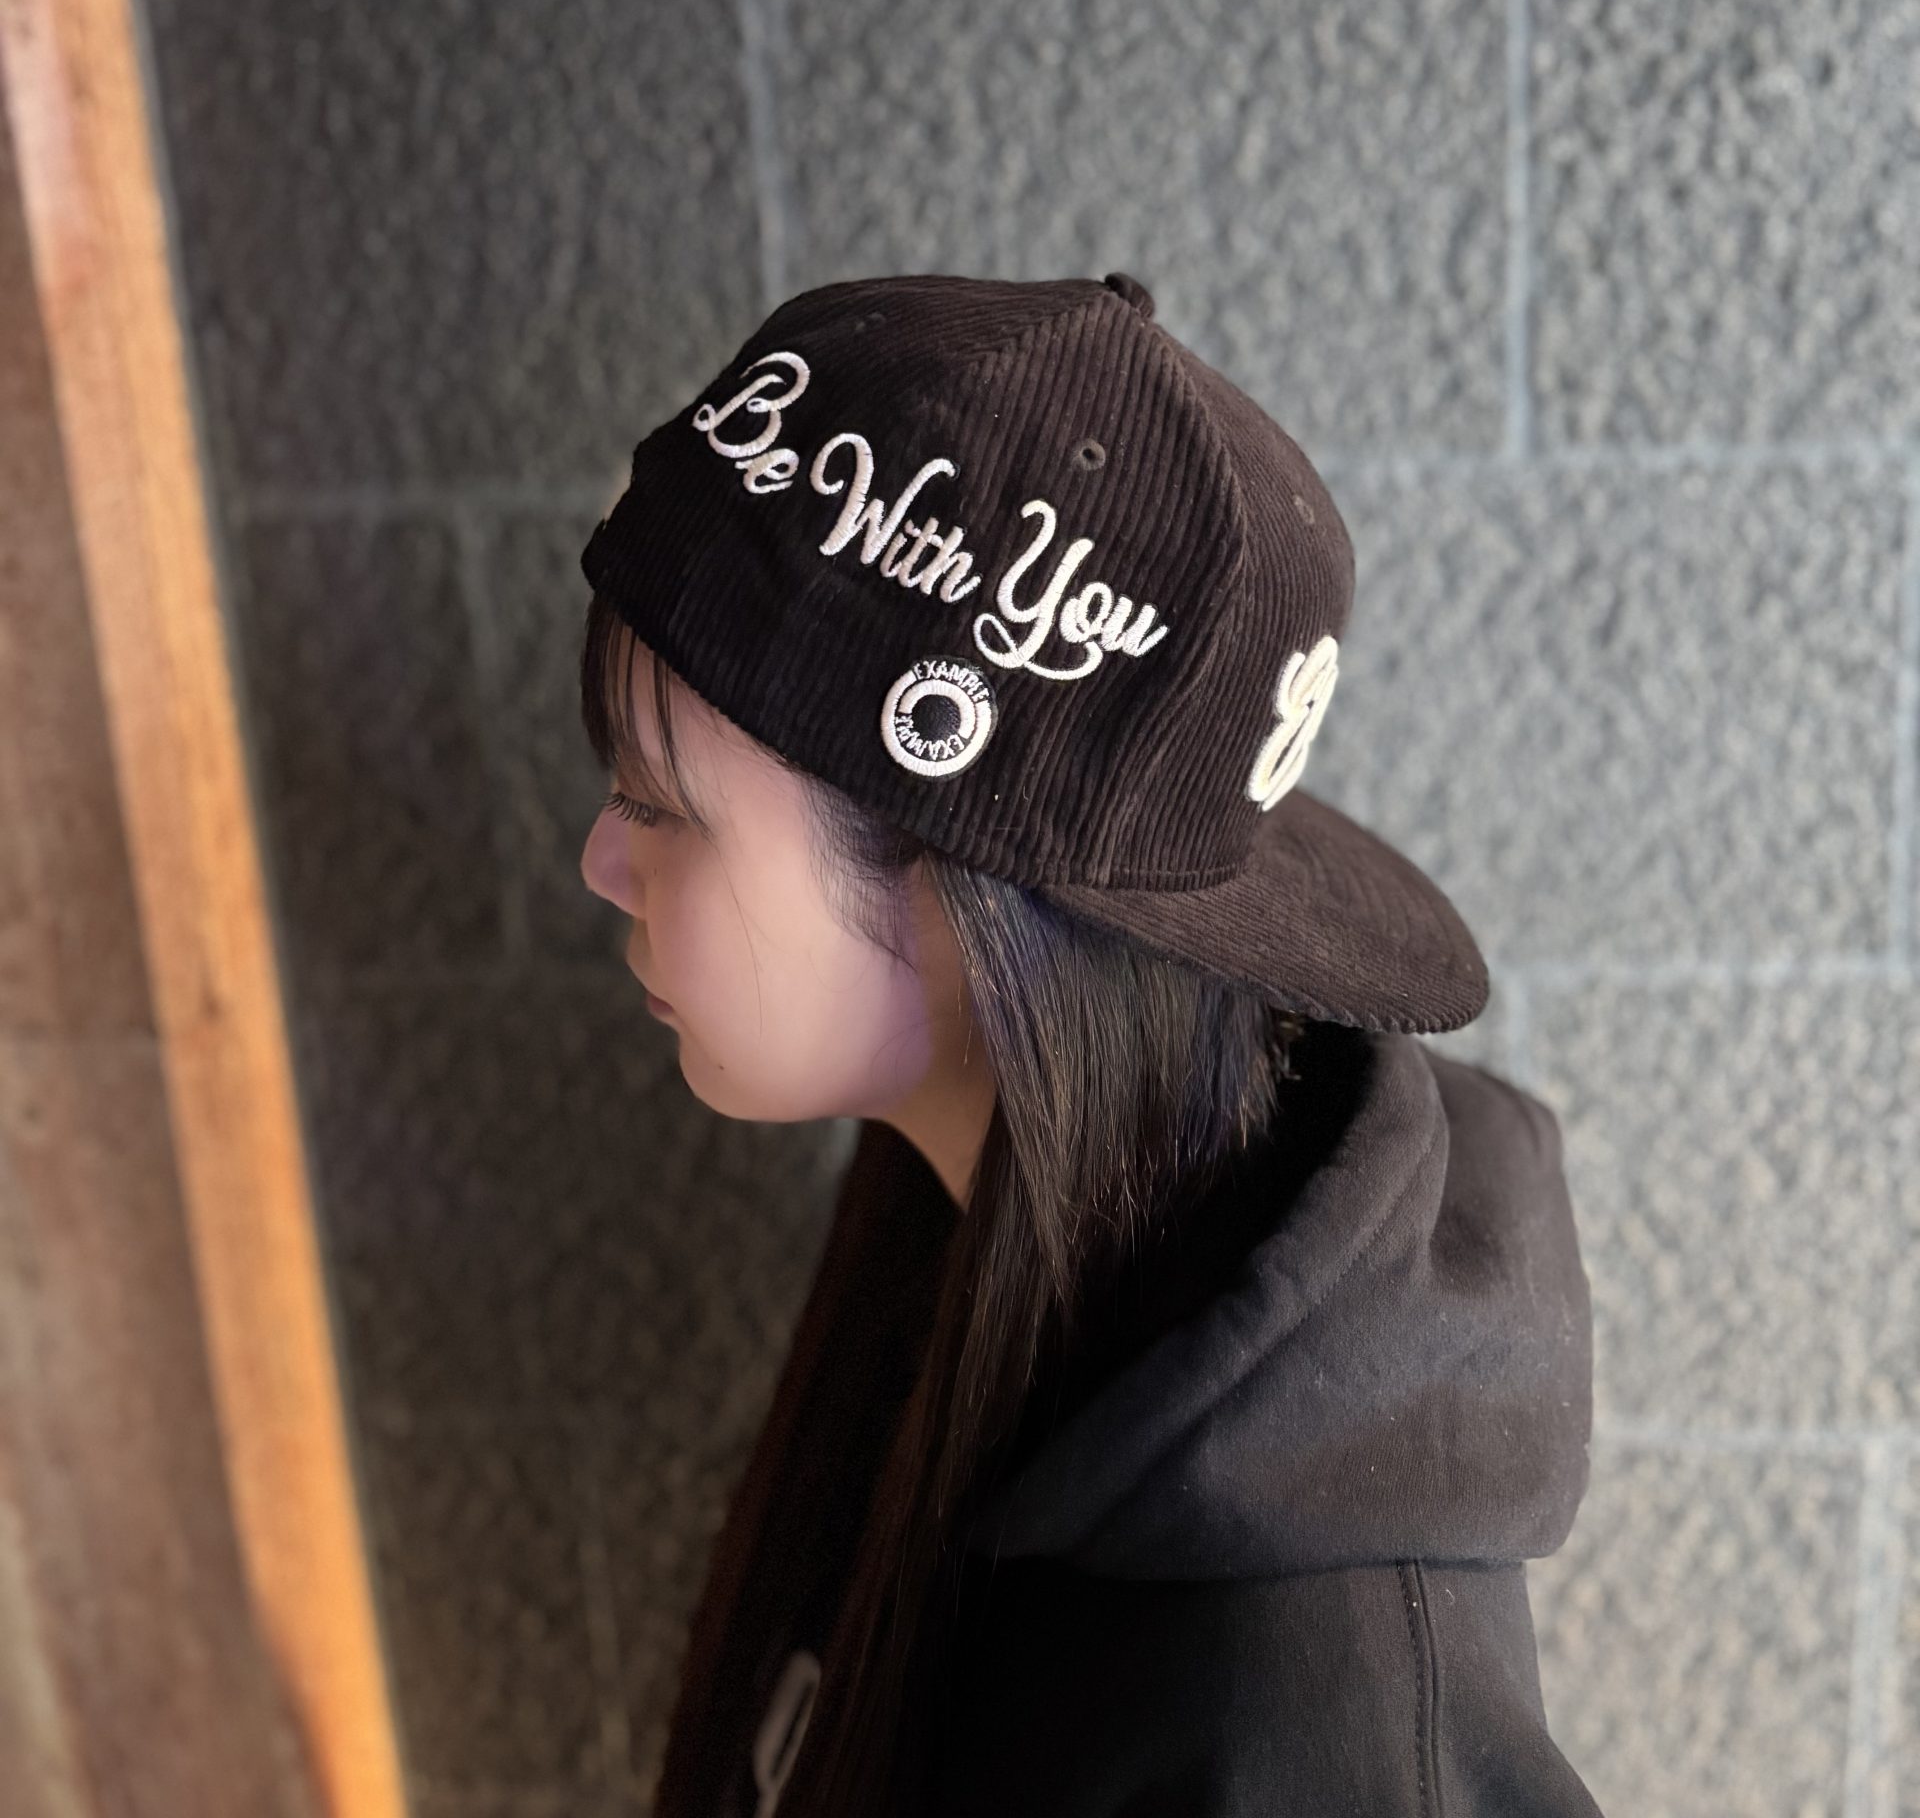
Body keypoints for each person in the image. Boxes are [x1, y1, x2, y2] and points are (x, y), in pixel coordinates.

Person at [576, 268, 1601, 1817]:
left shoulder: (1311, 1742)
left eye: (659, 805)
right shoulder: (956, 1240)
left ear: (961, 893)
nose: (601, 862)